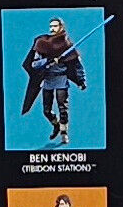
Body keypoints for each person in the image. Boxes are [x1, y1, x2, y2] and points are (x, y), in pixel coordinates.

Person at [20, 17, 86, 146]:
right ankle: (56, 124)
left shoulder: (67, 45)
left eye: (55, 26)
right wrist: (49, 60)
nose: (52, 29)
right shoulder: (43, 43)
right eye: (51, 26)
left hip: (61, 79)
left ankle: (64, 133)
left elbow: (77, 65)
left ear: (61, 27)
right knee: (47, 110)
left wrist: (81, 80)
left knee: (63, 108)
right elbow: (34, 64)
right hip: (48, 80)